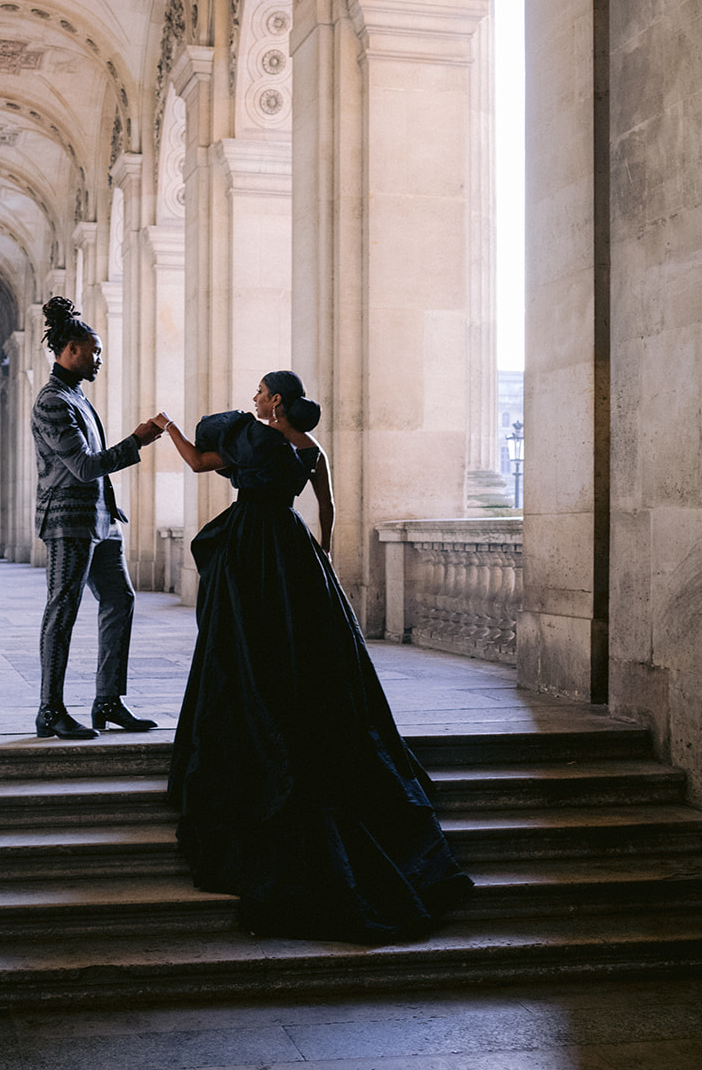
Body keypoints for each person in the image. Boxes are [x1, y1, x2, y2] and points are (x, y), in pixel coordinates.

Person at [155, 369, 473, 943]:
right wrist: (322, 551)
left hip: (251, 543)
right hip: (292, 546)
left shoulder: (255, 437)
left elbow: (200, 464)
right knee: (305, 646)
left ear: (274, 400)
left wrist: (167, 426)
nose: (253, 399)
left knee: (244, 647)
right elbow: (328, 505)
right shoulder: (311, 447)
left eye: (259, 392)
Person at [32, 295, 162, 740]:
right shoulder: (53, 401)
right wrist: (137, 441)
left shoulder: (77, 397)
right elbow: (84, 466)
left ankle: (107, 700)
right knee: (63, 608)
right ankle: (50, 710)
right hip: (68, 521)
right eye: (94, 350)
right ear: (70, 349)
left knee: (120, 599)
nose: (99, 357)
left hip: (101, 520)